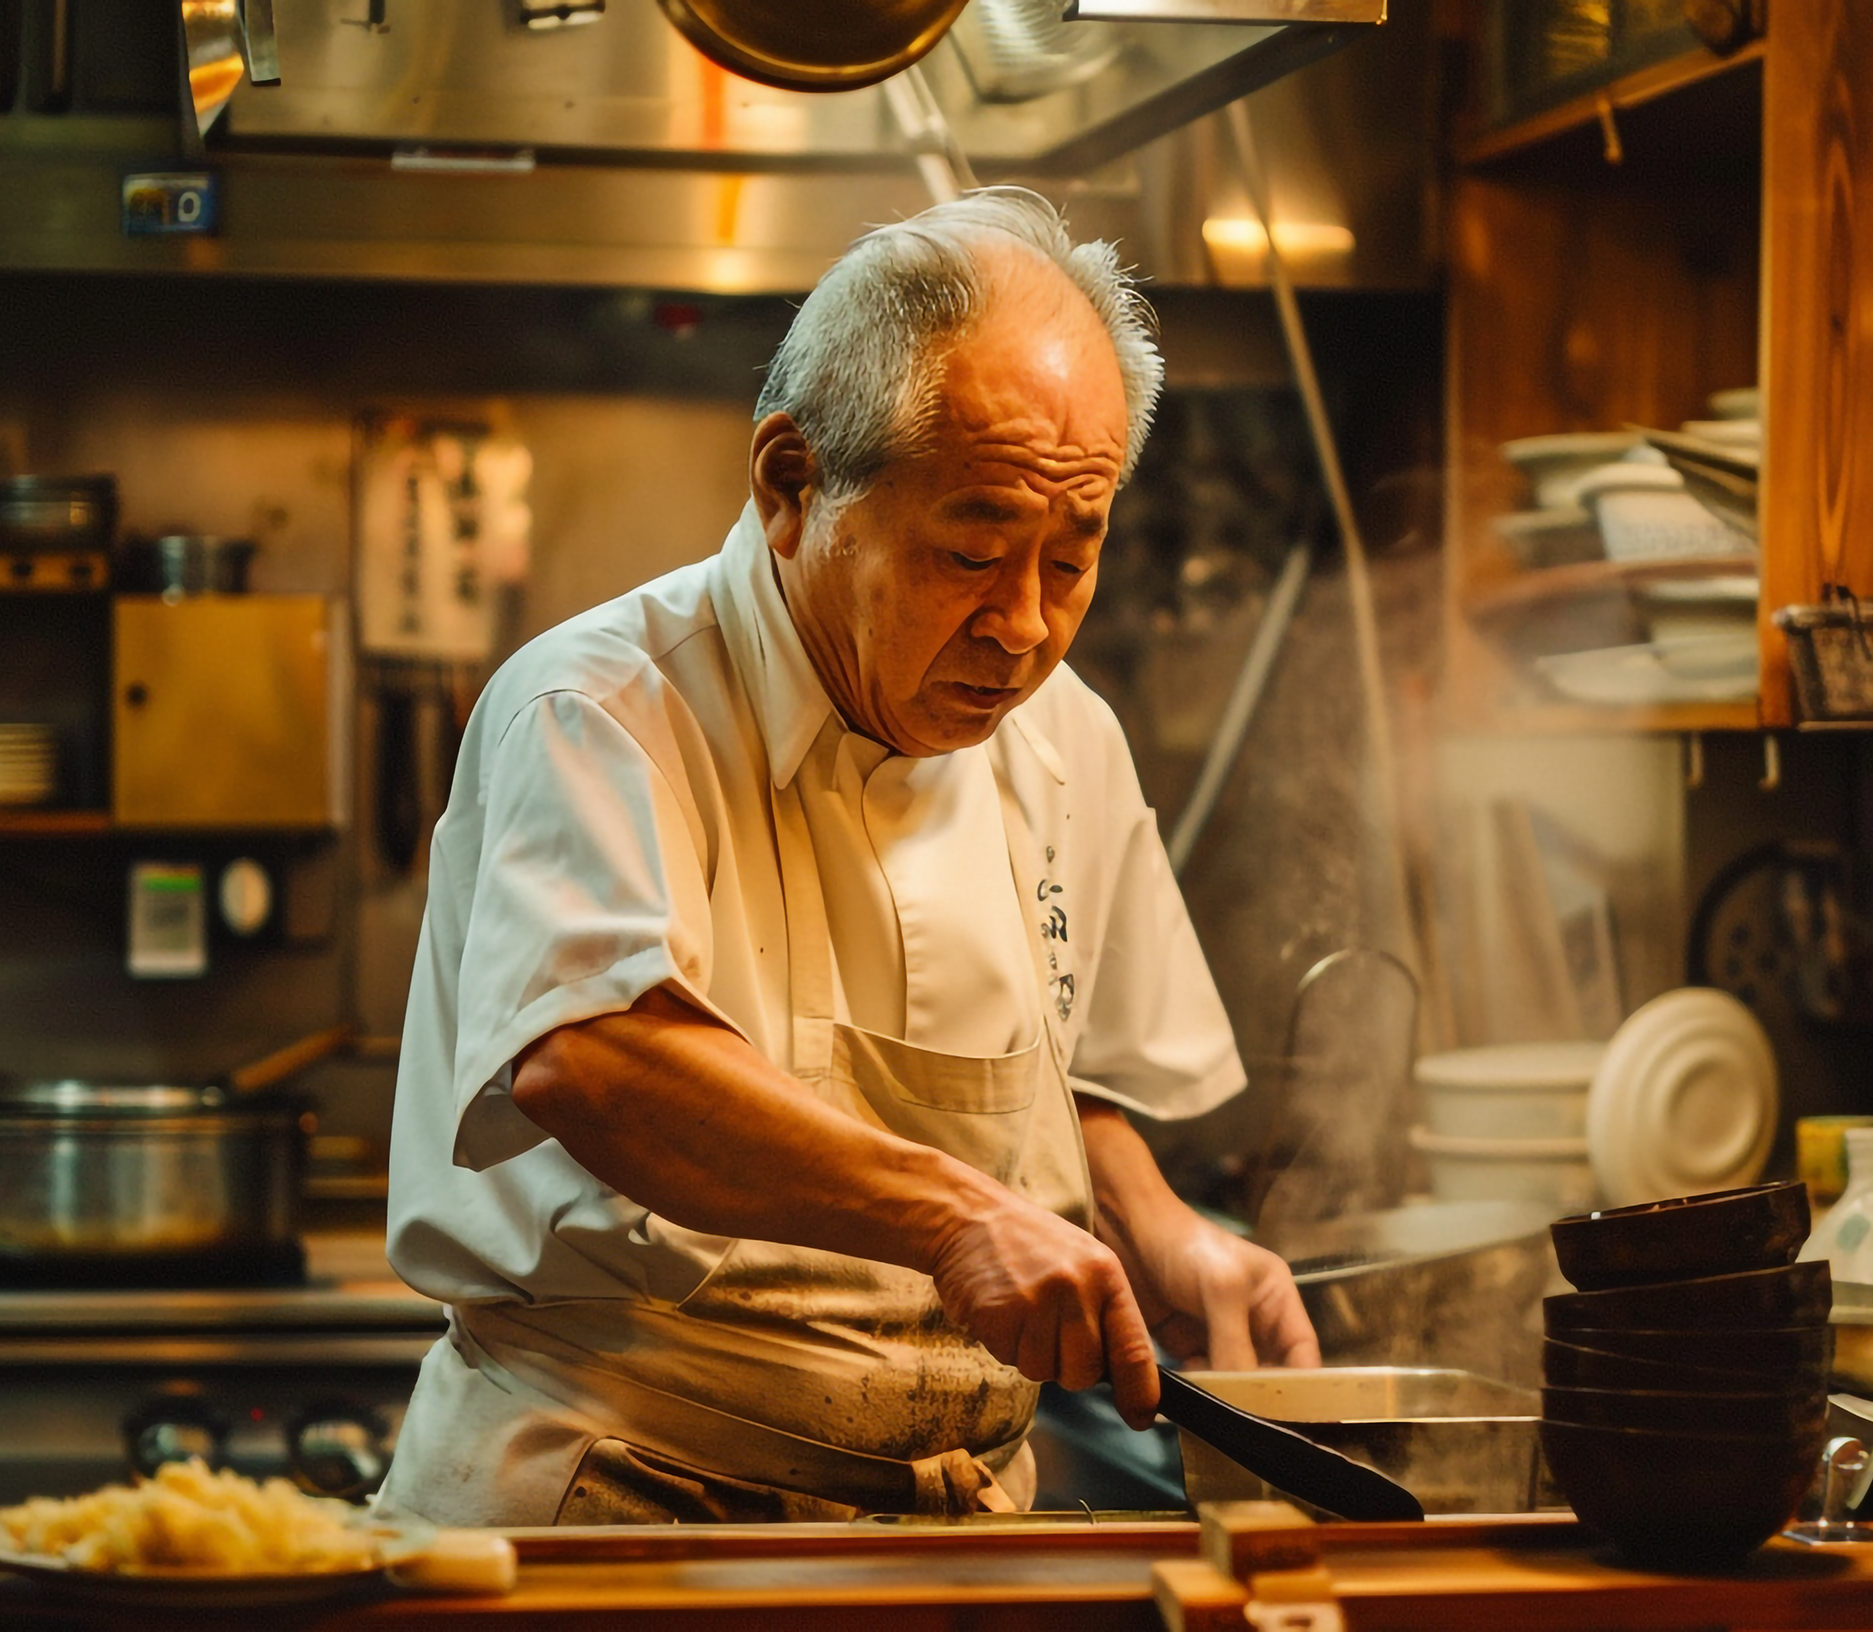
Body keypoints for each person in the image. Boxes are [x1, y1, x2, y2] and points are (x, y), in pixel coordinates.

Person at [379, 188, 1317, 1527]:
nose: (1026, 626)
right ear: (792, 482)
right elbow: (598, 1058)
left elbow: (1065, 1083)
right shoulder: (597, 709)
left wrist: (1159, 1237)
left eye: (1074, 552)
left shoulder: (1067, 741)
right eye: (975, 549)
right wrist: (956, 1219)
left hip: (955, 1521)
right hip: (619, 1505)